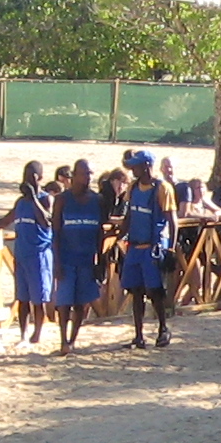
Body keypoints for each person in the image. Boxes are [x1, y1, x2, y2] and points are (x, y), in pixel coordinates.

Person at [117, 150, 178, 350]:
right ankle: (138, 335)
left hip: (153, 247)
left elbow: (172, 220)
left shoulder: (163, 188)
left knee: (155, 291)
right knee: (135, 291)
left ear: (146, 166)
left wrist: (171, 249)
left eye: (135, 166)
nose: (132, 170)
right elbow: (129, 217)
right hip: (134, 246)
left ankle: (163, 328)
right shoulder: (133, 188)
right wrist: (118, 238)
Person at [50, 160, 108, 353]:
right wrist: (56, 262)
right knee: (64, 302)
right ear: (74, 175)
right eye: (84, 174)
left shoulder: (97, 200)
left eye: (90, 174)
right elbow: (55, 232)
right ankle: (63, 339)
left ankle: (73, 339)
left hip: (87, 260)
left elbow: (100, 232)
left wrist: (100, 260)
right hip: (67, 259)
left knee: (81, 303)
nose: (87, 178)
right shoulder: (62, 200)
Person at [5, 159, 55, 346]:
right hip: (21, 254)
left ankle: (37, 333)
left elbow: (46, 222)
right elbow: (5, 220)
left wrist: (34, 197)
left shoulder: (45, 199)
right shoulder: (20, 203)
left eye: (31, 177)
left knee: (38, 298)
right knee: (22, 298)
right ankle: (23, 334)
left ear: (39, 178)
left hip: (38, 255)